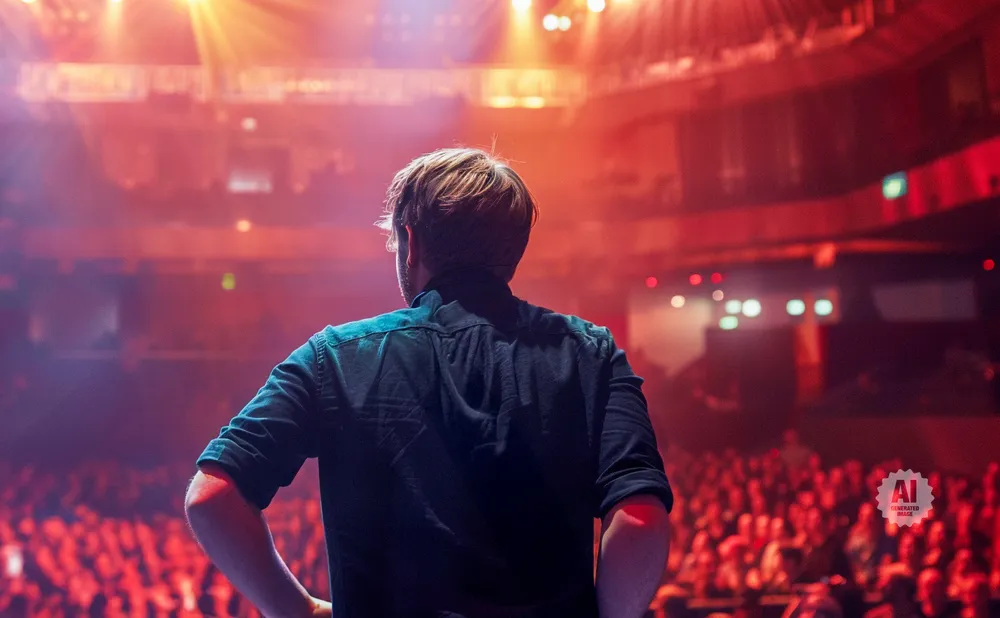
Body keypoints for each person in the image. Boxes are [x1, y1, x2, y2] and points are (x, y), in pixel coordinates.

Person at [184, 148, 674, 618]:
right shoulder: (592, 354)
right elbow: (640, 517)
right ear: (515, 249)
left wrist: (295, 610)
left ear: (410, 241)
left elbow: (212, 497)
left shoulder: (333, 356)